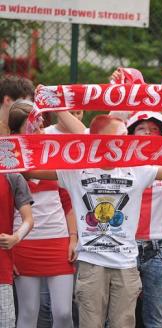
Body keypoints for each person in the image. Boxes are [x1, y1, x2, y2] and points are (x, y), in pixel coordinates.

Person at [23, 114, 162, 328]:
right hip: (91, 264)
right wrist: (27, 141)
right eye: (122, 136)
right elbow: (29, 171)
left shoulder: (137, 169)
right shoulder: (75, 171)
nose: (129, 140)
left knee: (122, 324)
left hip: (126, 265)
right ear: (101, 140)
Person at [7, 100, 80, 328]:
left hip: (58, 241)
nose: (40, 131)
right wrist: (8, 250)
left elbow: (67, 200)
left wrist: (73, 237)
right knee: (28, 313)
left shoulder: (55, 155)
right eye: (32, 128)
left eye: (40, 125)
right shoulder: (8, 163)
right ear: (14, 133)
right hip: (23, 243)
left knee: (64, 313)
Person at [126, 111, 162, 328]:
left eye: (154, 129)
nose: (148, 133)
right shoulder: (119, 163)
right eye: (141, 128)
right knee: (119, 317)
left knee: (155, 320)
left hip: (160, 248)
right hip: (125, 247)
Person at [0, 172, 33, 328]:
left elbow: (29, 219)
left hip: (1, 267)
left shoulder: (12, 177)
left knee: (6, 322)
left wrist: (16, 238)